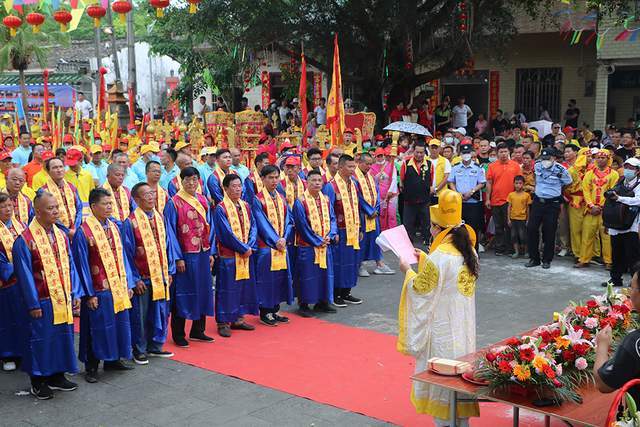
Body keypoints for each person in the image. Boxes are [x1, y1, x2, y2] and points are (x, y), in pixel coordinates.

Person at [398, 189, 479, 426]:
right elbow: (445, 280)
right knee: (461, 377)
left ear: (438, 228)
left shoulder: (441, 256)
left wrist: (408, 271)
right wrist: (425, 259)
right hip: (463, 329)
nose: (430, 230)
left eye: (433, 226)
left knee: (443, 380)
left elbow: (423, 289)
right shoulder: (469, 250)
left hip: (442, 330)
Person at [13, 191, 82, 400]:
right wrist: (33, 304)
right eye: (50, 208)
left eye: (56, 207)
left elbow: (70, 265)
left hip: (62, 297)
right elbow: (24, 276)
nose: (55, 211)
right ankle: (38, 380)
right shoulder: (24, 241)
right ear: (37, 212)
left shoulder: (60, 234)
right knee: (40, 340)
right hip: (41, 300)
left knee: (62, 336)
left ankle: (57, 375)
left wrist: (75, 292)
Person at [72, 188, 134, 383]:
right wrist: (89, 294)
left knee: (117, 324)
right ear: (93, 207)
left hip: (116, 286)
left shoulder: (114, 227)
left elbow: (123, 257)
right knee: (95, 328)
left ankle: (113, 359)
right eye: (105, 204)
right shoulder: (84, 232)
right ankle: (91, 366)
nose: (109, 207)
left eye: (110, 203)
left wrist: (128, 283)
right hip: (98, 290)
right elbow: (81, 264)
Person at [123, 183, 175, 365]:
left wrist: (169, 270)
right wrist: (134, 279)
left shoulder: (159, 217)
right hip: (143, 277)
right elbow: (127, 255)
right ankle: (139, 349)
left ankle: (155, 345)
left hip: (160, 275)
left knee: (159, 311)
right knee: (140, 315)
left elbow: (167, 245)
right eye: (146, 195)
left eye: (152, 193)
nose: (151, 197)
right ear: (136, 200)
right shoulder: (130, 222)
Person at [164, 167, 215, 347]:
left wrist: (210, 252)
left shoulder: (202, 200)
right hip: (185, 254)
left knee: (202, 290)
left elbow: (210, 226)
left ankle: (198, 330)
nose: (192, 183)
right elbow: (170, 233)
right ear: (181, 181)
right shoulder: (174, 203)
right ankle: (178, 333)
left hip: (202, 253)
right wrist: (177, 258)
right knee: (183, 293)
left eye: (195, 180)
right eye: (188, 180)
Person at [213, 174, 258, 337]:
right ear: (225, 188)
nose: (238, 189)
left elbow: (253, 226)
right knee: (227, 288)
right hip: (229, 256)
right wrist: (242, 248)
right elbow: (226, 234)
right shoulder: (220, 208)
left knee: (243, 286)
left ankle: (238, 318)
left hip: (245, 253)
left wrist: (250, 245)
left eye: (239, 185)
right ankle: (223, 321)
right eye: (234, 186)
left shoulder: (245, 205)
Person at [252, 165, 294, 326]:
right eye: (270, 177)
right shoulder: (258, 199)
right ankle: (265, 311)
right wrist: (276, 240)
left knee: (279, 277)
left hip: (281, 245)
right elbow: (261, 223)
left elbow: (289, 220)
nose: (274, 180)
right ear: (262, 179)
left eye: (276, 177)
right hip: (267, 246)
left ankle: (275, 309)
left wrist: (284, 237)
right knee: (266, 279)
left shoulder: (281, 198)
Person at [292, 170, 337, 317]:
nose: (317, 183)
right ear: (307, 182)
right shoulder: (300, 202)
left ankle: (322, 302)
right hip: (308, 245)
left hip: (324, 243)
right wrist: (317, 240)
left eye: (319, 180)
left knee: (325, 274)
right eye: (313, 180)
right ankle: (304, 304)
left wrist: (330, 235)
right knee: (307, 275)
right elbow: (301, 225)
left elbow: (332, 219)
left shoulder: (326, 199)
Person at [594, 263, 640, 401]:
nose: (629, 293)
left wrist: (602, 346)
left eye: (631, 287)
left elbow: (603, 384)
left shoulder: (635, 342)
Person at [323, 154, 363, 307]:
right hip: (339, 231)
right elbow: (328, 212)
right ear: (340, 167)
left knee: (351, 261)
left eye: (354, 166)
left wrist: (360, 228)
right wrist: (332, 233)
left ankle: (347, 291)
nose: (353, 170)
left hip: (352, 229)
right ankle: (336, 293)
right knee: (339, 262)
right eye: (350, 167)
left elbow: (357, 207)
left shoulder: (354, 184)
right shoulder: (331, 186)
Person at [526, 148, 572, 269]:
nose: (545, 161)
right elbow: (536, 178)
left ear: (554, 158)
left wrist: (556, 190)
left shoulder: (561, 170)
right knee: (531, 229)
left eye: (548, 158)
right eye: (544, 158)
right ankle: (534, 258)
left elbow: (568, 182)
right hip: (538, 201)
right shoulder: (537, 166)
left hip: (552, 203)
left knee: (549, 231)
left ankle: (547, 259)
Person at [575, 150, 618, 269]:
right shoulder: (589, 173)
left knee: (607, 237)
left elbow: (614, 192)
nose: (600, 159)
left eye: (603, 158)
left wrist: (602, 207)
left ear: (608, 159)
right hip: (591, 210)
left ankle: (608, 261)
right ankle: (584, 259)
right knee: (587, 235)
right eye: (598, 157)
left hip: (606, 211)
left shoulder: (614, 174)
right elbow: (586, 190)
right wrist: (591, 205)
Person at [354, 152, 394, 276]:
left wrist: (375, 209)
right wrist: (369, 211)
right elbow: (358, 197)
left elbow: (375, 193)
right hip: (362, 214)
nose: (369, 166)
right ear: (359, 163)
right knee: (362, 240)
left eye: (371, 164)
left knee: (375, 239)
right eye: (367, 164)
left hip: (373, 214)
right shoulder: (354, 177)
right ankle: (360, 265)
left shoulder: (370, 176)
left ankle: (379, 264)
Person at [602, 158, 640, 287]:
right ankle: (615, 278)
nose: (628, 170)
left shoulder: (639, 184)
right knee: (616, 253)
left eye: (632, 168)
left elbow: (638, 200)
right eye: (626, 166)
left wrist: (620, 198)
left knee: (632, 255)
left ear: (637, 171)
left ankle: (635, 282)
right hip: (617, 223)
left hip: (631, 224)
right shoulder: (621, 180)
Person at [0, 193, 27, 372]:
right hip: (6, 283)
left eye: (10, 205)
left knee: (23, 318)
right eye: (3, 206)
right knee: (7, 319)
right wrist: (15, 268)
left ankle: (23, 351)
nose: (8, 209)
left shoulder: (21, 226)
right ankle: (7, 354)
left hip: (23, 282)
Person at [485, 143, 521, 255]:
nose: (503, 154)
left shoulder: (515, 166)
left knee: (509, 226)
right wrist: (487, 199)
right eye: (501, 152)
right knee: (498, 226)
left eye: (505, 152)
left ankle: (510, 249)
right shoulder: (492, 166)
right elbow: (489, 183)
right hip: (496, 200)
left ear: (509, 153)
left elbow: (519, 183)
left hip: (510, 201)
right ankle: (499, 248)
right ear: (497, 154)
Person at [448, 144, 486, 247]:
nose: (466, 155)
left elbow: (482, 183)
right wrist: (456, 193)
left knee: (473, 228)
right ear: (460, 154)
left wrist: (472, 191)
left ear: (471, 154)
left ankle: (474, 251)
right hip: (459, 202)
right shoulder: (455, 167)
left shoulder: (477, 168)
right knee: (458, 228)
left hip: (472, 202)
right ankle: (459, 250)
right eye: (464, 153)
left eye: (468, 153)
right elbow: (451, 182)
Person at [399, 140, 432, 245]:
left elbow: (431, 180)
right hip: (409, 199)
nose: (419, 154)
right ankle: (408, 242)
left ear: (425, 152)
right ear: (413, 151)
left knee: (426, 221)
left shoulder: (430, 164)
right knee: (408, 222)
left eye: (421, 152)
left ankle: (427, 240)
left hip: (424, 199)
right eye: (417, 152)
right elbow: (402, 180)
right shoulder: (406, 162)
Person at [40, 157, 83, 236]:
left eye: (61, 167)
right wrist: (66, 231)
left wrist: (75, 228)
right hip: (55, 232)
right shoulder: (43, 191)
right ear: (48, 171)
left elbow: (79, 208)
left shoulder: (71, 187)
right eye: (55, 168)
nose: (59, 170)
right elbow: (47, 214)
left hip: (75, 231)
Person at [102, 163, 135, 228]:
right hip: (109, 227)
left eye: (122, 175)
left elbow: (134, 208)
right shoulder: (101, 192)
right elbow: (102, 213)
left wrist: (128, 222)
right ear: (108, 176)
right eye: (117, 175)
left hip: (127, 227)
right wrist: (119, 224)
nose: (120, 178)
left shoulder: (126, 191)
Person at [507, 176, 531, 258]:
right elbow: (509, 207)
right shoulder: (511, 195)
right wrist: (508, 219)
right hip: (513, 219)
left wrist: (528, 219)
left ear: (523, 184)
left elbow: (528, 208)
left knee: (523, 236)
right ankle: (516, 252)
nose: (518, 185)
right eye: (516, 183)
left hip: (522, 219)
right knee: (514, 236)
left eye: (520, 183)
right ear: (513, 184)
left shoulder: (526, 195)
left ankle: (526, 252)